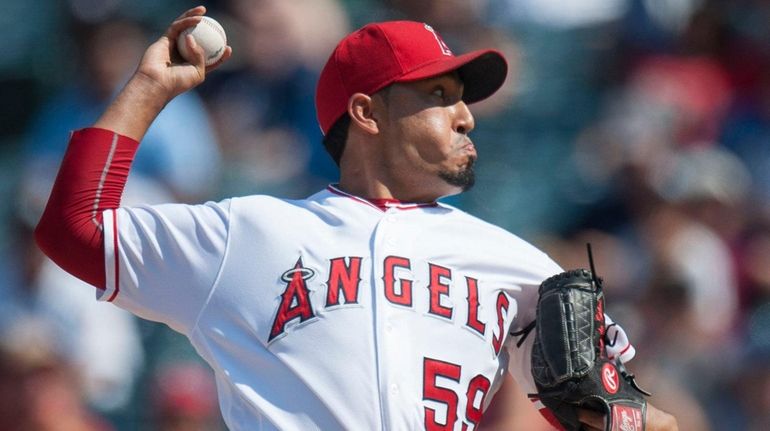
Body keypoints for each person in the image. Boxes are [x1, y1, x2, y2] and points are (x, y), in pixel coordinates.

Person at [35, 6, 678, 430]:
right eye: (439, 96)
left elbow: (642, 419)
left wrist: (615, 413)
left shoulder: (517, 265)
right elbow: (74, 229)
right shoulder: (249, 234)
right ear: (368, 114)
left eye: (463, 100)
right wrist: (148, 90)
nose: (466, 116)